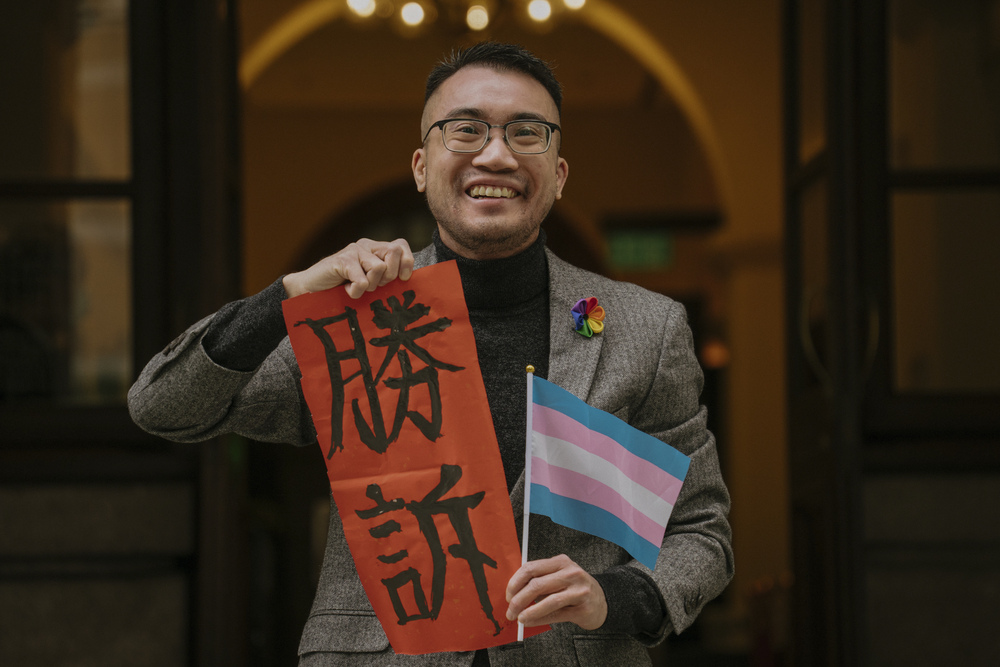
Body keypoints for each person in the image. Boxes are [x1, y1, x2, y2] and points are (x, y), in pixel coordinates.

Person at [129, 42, 733, 666]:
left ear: (558, 174)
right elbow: (163, 406)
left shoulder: (645, 328)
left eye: (527, 133)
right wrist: (290, 295)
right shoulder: (355, 318)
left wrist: (615, 595)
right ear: (421, 166)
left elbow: (699, 528)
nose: (495, 154)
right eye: (465, 129)